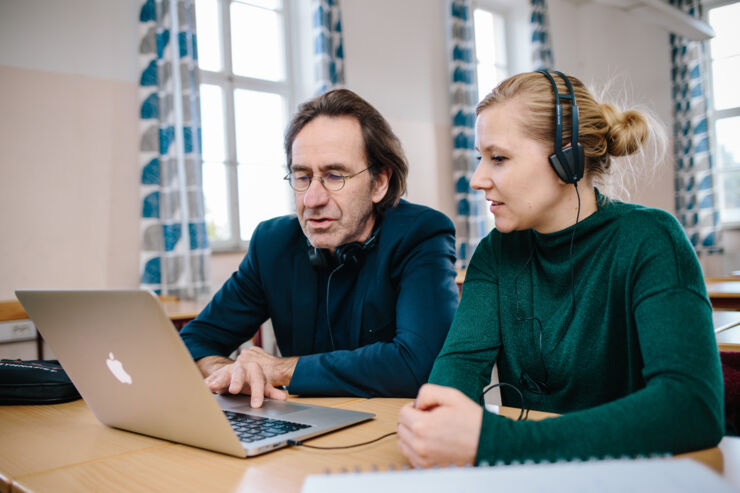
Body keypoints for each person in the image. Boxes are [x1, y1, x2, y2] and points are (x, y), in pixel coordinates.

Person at [397, 71, 724, 467]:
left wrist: (500, 442)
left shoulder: (651, 239)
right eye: (481, 158)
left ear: (567, 158)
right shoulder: (495, 253)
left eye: (498, 158)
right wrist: (434, 425)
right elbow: (458, 372)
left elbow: (691, 408)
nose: (477, 179)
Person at [180, 88, 459, 408]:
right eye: (302, 177)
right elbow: (194, 341)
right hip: (304, 434)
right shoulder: (272, 244)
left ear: (379, 182)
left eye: (334, 175)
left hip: (397, 432)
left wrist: (281, 369)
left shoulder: (421, 234)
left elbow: (420, 364)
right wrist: (231, 373)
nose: (312, 199)